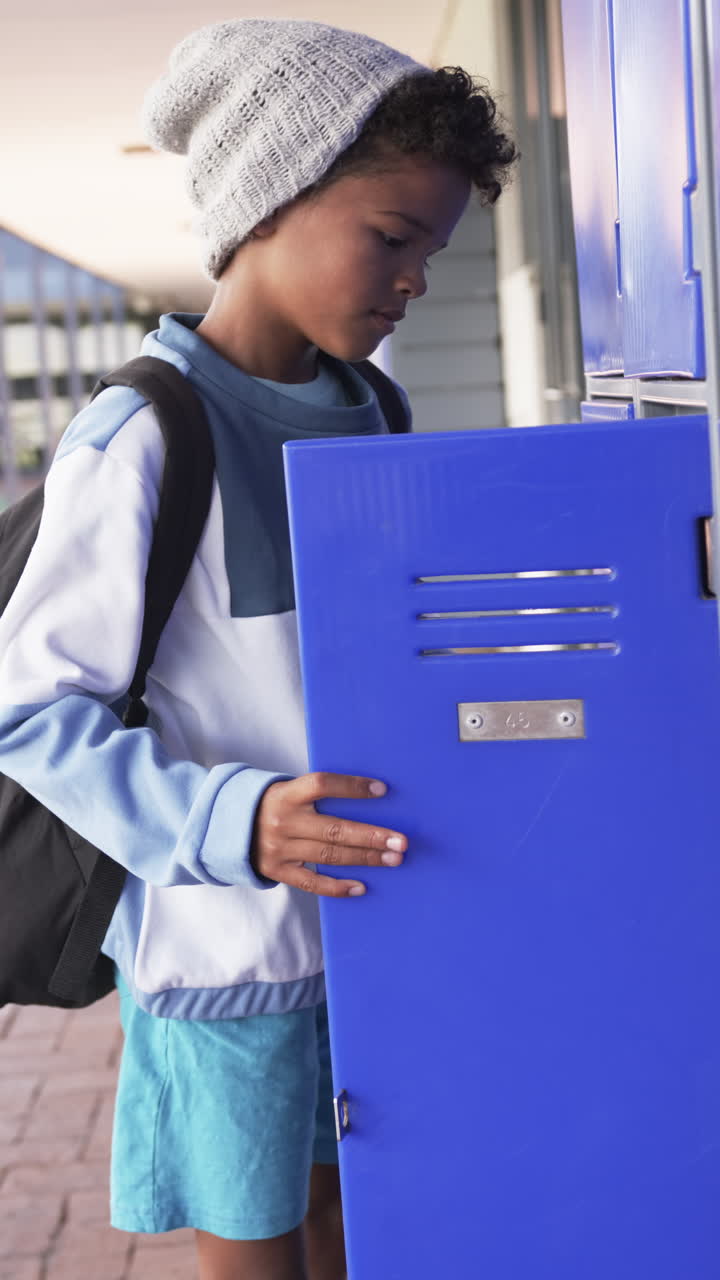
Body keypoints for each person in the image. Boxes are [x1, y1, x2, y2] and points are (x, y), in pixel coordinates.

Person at [0, 18, 515, 1280]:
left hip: (380, 913)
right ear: (269, 200)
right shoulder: (142, 434)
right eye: (390, 239)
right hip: (224, 938)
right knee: (258, 1242)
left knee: (363, 1215)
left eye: (431, 255)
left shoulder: (374, 408)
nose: (412, 281)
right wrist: (238, 820)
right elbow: (30, 712)